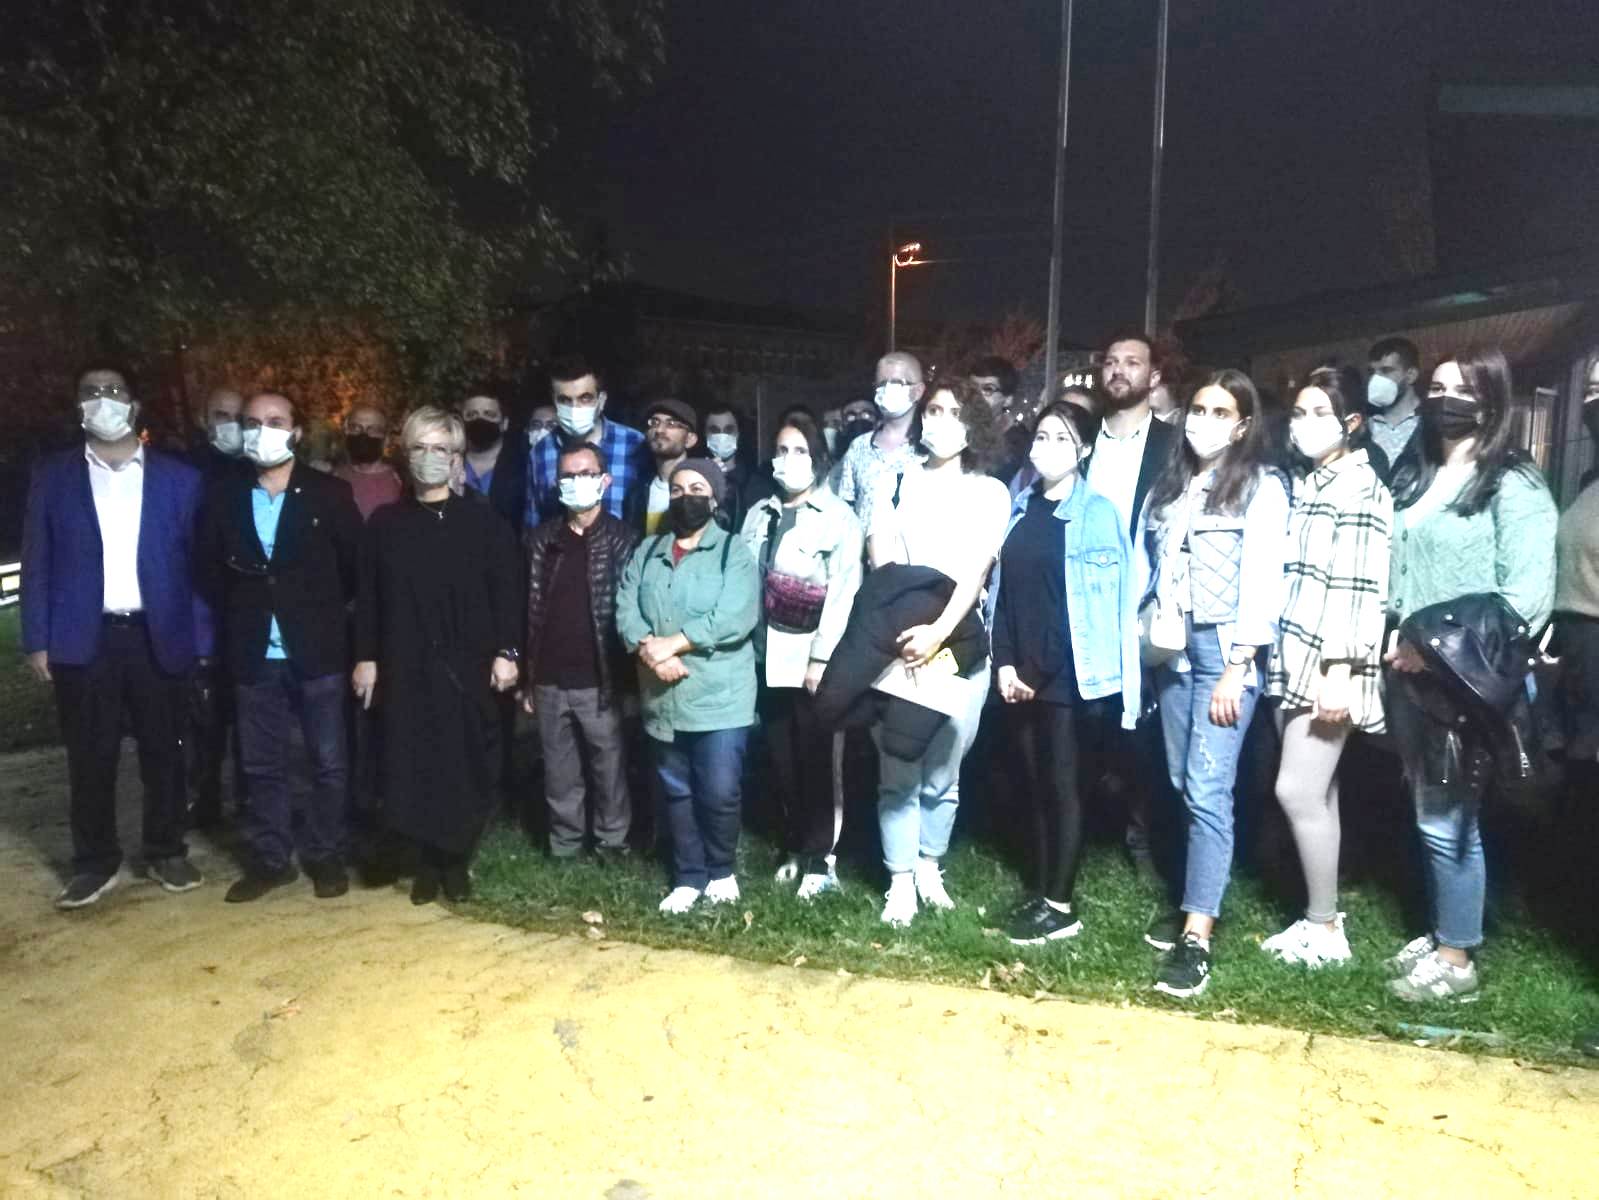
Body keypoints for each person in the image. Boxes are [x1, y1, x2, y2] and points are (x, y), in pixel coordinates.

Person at [1382, 347, 1557, 1002]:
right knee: (1428, 805)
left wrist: (1433, 649)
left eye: (1462, 388)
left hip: (1463, 679)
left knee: (1447, 817)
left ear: (1491, 400)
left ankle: (1457, 960)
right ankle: (1443, 930)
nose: (1445, 399)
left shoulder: (1513, 482)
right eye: (1436, 387)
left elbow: (1526, 598)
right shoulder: (1417, 474)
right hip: (1407, 672)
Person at [21, 364, 211, 908]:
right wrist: (38, 638)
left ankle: (166, 850)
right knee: (90, 756)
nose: (102, 399)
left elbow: (198, 567)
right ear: (77, 406)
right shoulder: (54, 478)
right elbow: (37, 560)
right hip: (84, 638)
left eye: (113, 390)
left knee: (165, 752)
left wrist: (201, 638)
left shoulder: (180, 479)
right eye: (90, 391)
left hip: (159, 634)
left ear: (134, 403)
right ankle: (94, 861)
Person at [1140, 368, 1289, 997]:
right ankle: (1191, 901)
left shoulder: (1260, 487)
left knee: (1206, 787)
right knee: (1182, 779)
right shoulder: (1173, 484)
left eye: (1220, 412)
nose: (1204, 422)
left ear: (1243, 424)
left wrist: (1238, 665)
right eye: (1197, 410)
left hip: (1224, 650)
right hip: (1172, 649)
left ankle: (1197, 936)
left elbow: (1263, 580)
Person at [199, 391, 364, 902]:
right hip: (253, 650)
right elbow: (207, 571)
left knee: (327, 762)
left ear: (295, 432)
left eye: (275, 421)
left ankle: (325, 852)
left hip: (317, 649)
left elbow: (353, 569)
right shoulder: (223, 496)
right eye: (252, 422)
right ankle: (271, 859)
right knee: (261, 765)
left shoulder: (329, 494)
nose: (261, 430)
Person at [353, 407, 522, 904]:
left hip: (468, 665)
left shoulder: (483, 523)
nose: (430, 457)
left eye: (440, 449)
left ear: (456, 459)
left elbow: (507, 593)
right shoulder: (385, 524)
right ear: (406, 456)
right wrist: (366, 657)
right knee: (415, 761)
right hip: (406, 664)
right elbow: (369, 597)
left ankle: (455, 860)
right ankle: (427, 861)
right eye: (420, 448)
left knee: (464, 761)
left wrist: (508, 652)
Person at [989, 403, 1140, 944]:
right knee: (1032, 785)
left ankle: (1060, 905)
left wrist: (1032, 670)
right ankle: (1042, 889)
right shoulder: (1021, 505)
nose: (1046, 447)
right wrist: (1006, 662)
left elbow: (1087, 609)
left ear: (1084, 450)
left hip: (1069, 676)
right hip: (1020, 672)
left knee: (1064, 786)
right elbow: (1005, 595)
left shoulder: (1098, 513)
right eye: (1041, 436)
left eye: (1061, 438)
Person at [866, 377, 1010, 925]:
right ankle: (899, 881)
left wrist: (939, 632)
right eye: (933, 410)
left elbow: (976, 572)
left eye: (954, 412)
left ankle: (930, 866)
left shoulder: (989, 492)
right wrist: (910, 631)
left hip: (958, 646)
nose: (939, 421)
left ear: (974, 424)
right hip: (901, 643)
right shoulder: (895, 481)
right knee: (898, 765)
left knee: (944, 770)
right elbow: (882, 557)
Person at [1260, 368, 1393, 966]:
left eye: (1321, 413)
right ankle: (1322, 917)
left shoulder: (1360, 487)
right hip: (1296, 655)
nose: (1305, 424)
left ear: (1352, 423)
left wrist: (1339, 671)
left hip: (1329, 663)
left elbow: (1360, 587)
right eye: (1299, 412)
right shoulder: (1311, 482)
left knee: (1296, 790)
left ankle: (1326, 929)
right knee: (1320, 793)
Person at [616, 458, 759, 914]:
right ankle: (688, 876)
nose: (685, 498)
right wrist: (649, 650)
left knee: (719, 790)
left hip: (719, 695)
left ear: (714, 500)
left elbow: (735, 616)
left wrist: (672, 645)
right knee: (676, 790)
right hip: (663, 694)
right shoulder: (648, 550)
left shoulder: (733, 551)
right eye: (676, 490)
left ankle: (721, 870)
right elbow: (626, 605)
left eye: (697, 489)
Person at [740, 414, 863, 898]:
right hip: (764, 656)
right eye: (782, 450)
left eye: (800, 451)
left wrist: (820, 659)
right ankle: (793, 845)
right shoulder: (759, 513)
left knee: (817, 760)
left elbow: (843, 591)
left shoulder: (837, 518)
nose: (788, 460)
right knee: (780, 758)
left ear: (819, 460)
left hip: (809, 660)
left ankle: (820, 858)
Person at [1084, 331, 1182, 880]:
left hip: (1144, 604)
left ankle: (1143, 835)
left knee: (1144, 728)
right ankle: (1088, 829)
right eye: (1111, 361)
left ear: (1154, 376)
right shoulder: (1081, 440)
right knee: (1089, 720)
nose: (1119, 370)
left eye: (1132, 362)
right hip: (1085, 600)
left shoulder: (1174, 445)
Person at [524, 443, 640, 860]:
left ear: (605, 480)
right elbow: (528, 609)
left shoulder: (624, 540)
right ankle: (566, 845)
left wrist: (627, 684)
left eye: (586, 473)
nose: (577, 482)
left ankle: (612, 843)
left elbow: (631, 612)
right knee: (559, 772)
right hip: (549, 679)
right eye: (568, 476)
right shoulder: (541, 540)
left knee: (609, 770)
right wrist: (527, 678)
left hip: (600, 679)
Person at [526, 355, 648, 528]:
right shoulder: (541, 452)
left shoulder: (635, 445)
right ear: (554, 401)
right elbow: (533, 521)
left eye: (585, 398)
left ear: (601, 400)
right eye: (565, 400)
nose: (574, 408)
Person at [834, 353, 927, 530]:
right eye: (882, 384)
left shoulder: (929, 446)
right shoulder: (859, 447)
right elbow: (844, 511)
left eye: (897, 382)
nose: (887, 389)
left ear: (918, 390)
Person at [628, 391, 700, 537]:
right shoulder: (637, 494)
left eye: (671, 424)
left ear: (690, 439)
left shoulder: (702, 490)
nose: (659, 430)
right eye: (654, 423)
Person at [458, 387, 530, 530]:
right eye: (471, 414)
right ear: (461, 422)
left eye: (489, 414)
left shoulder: (523, 466)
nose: (480, 420)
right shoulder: (449, 465)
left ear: (504, 423)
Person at [334, 404, 404, 521]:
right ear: (346, 432)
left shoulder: (400, 482)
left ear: (386, 439)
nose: (364, 435)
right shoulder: (334, 477)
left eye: (373, 430)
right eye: (356, 428)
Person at [1366, 336, 1425, 470]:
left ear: (1411, 375)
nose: (1375, 379)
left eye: (1386, 371)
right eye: (1371, 372)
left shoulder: (1430, 421)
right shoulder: (1364, 427)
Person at [970, 354, 1031, 482]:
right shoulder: (955, 430)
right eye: (972, 387)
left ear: (1008, 400)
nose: (977, 395)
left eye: (988, 389)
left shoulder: (1020, 446)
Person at [192, 387, 248, 485]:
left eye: (238, 417)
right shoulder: (192, 468)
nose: (233, 423)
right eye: (222, 416)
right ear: (203, 420)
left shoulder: (255, 463)